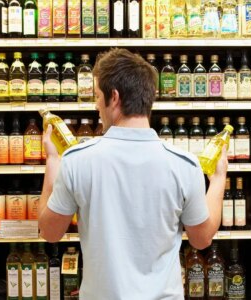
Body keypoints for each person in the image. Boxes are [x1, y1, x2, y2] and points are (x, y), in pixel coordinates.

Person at [39, 48, 228, 300]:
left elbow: (50, 232)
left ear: (114, 97)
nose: (96, 106)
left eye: (97, 96)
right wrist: (217, 181)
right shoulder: (185, 165)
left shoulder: (78, 161)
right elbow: (202, 238)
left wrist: (53, 161)